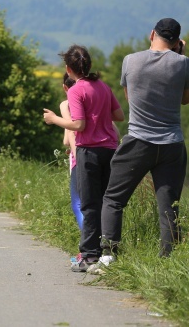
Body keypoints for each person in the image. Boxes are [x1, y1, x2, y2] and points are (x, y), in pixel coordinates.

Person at [89, 18, 189, 273]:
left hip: (137, 141)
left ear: (152, 33)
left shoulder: (130, 60)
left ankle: (109, 255)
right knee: (169, 207)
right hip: (172, 144)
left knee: (113, 198)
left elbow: (130, 96)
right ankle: (168, 263)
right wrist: (180, 56)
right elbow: (185, 100)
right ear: (178, 41)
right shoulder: (184, 63)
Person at [43, 45, 124, 272]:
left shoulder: (75, 91)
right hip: (110, 150)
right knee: (107, 202)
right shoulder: (103, 87)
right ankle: (109, 252)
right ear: (88, 65)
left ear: (69, 69)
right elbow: (119, 115)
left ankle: (89, 256)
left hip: (88, 151)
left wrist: (54, 119)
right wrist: (98, 111)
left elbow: (79, 125)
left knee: (89, 205)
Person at [60, 73, 84, 232]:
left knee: (78, 204)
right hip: (103, 154)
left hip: (79, 157)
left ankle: (88, 247)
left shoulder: (68, 104)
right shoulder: (91, 98)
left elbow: (67, 140)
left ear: (65, 88)